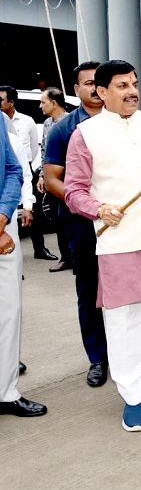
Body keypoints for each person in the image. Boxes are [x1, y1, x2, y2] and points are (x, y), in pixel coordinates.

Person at [64, 60, 141, 432]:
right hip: (116, 240)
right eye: (121, 85)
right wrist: (98, 208)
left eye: (134, 83)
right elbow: (73, 190)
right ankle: (132, 393)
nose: (132, 91)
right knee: (122, 316)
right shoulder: (85, 134)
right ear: (100, 92)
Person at [43, 61, 111, 387]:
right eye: (88, 83)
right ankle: (98, 358)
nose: (95, 88)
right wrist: (86, 204)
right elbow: (52, 178)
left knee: (133, 290)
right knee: (90, 290)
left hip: (126, 221)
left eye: (100, 82)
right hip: (82, 224)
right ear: (76, 90)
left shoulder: (128, 124)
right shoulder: (64, 129)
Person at [0, 113, 47, 418]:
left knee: (9, 312)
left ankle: (6, 393)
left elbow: (13, 169)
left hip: (3, 230)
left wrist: (4, 215)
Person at [0, 85, 57, 261]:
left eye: (2, 100)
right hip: (11, 174)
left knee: (34, 216)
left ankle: (39, 249)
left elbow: (34, 149)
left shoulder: (27, 121)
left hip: (23, 171)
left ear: (11, 102)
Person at [40, 87, 72, 272]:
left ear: (54, 102)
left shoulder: (70, 122)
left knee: (73, 220)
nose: (40, 106)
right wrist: (42, 176)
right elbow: (44, 151)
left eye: (43, 102)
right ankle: (65, 257)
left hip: (70, 178)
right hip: (53, 178)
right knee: (59, 219)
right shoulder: (46, 124)